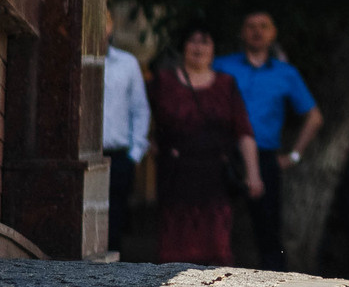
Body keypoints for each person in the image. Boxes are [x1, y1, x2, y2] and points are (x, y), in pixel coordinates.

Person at [215, 11, 322, 270]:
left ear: (273, 34)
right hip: (223, 155)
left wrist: (294, 155)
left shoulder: (286, 73)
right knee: (217, 226)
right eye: (251, 26)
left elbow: (314, 117)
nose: (257, 31)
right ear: (242, 32)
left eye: (263, 26)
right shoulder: (221, 66)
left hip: (265, 158)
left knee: (268, 231)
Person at [149, 28, 260, 265]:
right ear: (183, 47)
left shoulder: (226, 84)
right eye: (193, 41)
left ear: (213, 50)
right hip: (175, 177)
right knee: (173, 252)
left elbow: (244, 131)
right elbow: (142, 118)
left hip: (215, 178)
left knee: (216, 250)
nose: (198, 48)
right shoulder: (164, 81)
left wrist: (253, 173)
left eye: (205, 42)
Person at [102, 38, 151, 258]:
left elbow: (139, 109)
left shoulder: (127, 62)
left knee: (115, 222)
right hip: (80, 154)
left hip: (118, 155)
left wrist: (134, 154)